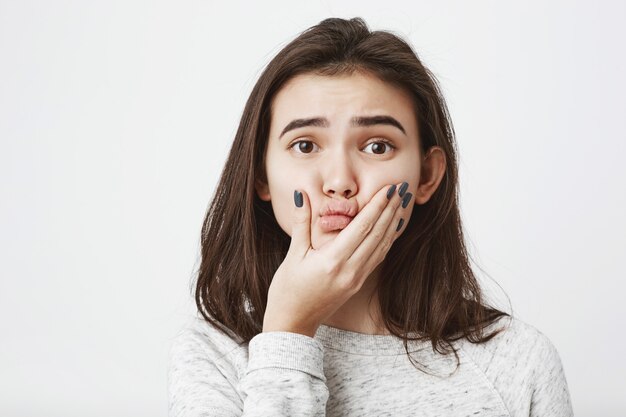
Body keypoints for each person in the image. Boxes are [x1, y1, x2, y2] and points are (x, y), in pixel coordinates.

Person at [167, 17, 574, 417]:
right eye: (306, 145)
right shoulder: (213, 355)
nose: (340, 182)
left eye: (378, 146)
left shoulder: (519, 363)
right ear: (261, 175)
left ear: (427, 176)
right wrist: (287, 333)